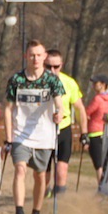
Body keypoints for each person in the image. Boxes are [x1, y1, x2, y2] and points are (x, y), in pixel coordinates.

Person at [2, 39, 66, 214]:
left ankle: (36, 213)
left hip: (44, 135)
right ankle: (19, 212)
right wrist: (8, 138)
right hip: (21, 134)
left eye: (38, 55)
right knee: (20, 169)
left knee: (40, 175)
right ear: (26, 56)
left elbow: (60, 104)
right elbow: (8, 109)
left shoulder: (52, 80)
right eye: (32, 55)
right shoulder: (16, 80)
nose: (35, 59)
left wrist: (59, 114)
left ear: (44, 56)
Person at [46, 49, 88, 196]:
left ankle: (60, 199)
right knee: (44, 171)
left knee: (62, 168)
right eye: (48, 66)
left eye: (56, 67)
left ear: (61, 65)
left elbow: (79, 108)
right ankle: (42, 197)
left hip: (63, 128)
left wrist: (84, 132)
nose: (52, 70)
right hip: (44, 129)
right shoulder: (38, 82)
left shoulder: (69, 82)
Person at [83, 74, 108, 183]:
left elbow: (87, 112)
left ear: (103, 85)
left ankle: (101, 184)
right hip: (106, 131)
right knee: (105, 161)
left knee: (98, 163)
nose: (93, 85)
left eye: (96, 83)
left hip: (94, 132)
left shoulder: (98, 99)